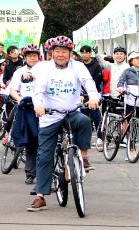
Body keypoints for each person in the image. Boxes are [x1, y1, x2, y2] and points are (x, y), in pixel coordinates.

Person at [27, 36, 100, 212]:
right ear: (52, 53)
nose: (60, 55)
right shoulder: (45, 68)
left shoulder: (78, 66)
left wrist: (94, 96)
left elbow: (87, 82)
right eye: (57, 51)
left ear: (70, 53)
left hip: (71, 112)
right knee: (44, 155)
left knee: (84, 121)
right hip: (50, 115)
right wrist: (38, 106)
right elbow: (38, 89)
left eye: (64, 51)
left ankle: (83, 156)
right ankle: (41, 196)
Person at [8, 44, 42, 189]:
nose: (32, 58)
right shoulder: (19, 72)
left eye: (34, 55)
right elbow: (12, 90)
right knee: (31, 142)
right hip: (27, 109)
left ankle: (48, 173)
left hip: (44, 109)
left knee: (46, 142)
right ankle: (30, 173)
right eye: (29, 55)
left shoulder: (46, 69)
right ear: (25, 57)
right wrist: (20, 99)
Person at [79, 46, 104, 150]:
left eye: (87, 52)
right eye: (83, 53)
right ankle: (84, 139)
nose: (85, 54)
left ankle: (100, 137)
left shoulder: (96, 64)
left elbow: (98, 79)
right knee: (83, 117)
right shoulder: (79, 65)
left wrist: (91, 92)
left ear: (90, 53)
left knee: (95, 116)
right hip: (81, 95)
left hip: (94, 93)